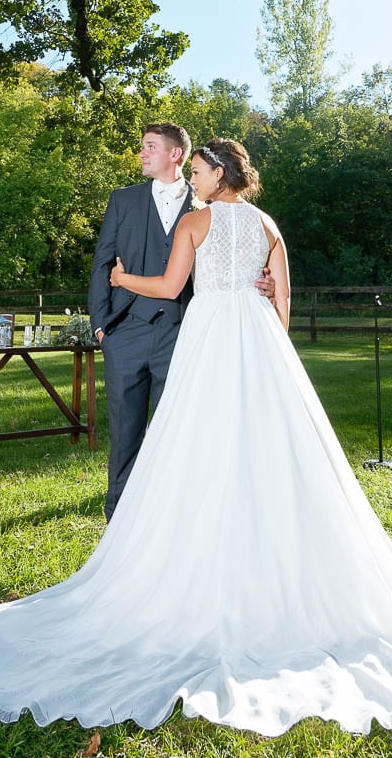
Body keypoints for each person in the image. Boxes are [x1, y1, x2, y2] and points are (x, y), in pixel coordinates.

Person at [0, 137, 392, 736]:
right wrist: (266, 322)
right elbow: (281, 304)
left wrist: (121, 279)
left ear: (216, 175)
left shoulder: (195, 225)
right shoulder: (269, 226)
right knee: (271, 446)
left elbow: (170, 288)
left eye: (196, 171)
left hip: (210, 336)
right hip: (257, 340)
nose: (191, 179)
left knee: (195, 443)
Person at [88, 122, 273, 520]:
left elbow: (232, 260)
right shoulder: (123, 200)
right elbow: (102, 262)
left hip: (184, 334)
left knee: (182, 432)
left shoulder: (209, 199)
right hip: (126, 332)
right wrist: (101, 325)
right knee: (125, 432)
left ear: (176, 154)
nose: (141, 153)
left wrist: (265, 282)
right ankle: (118, 515)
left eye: (150, 147)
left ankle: (173, 516)